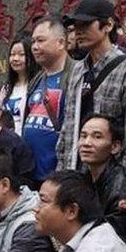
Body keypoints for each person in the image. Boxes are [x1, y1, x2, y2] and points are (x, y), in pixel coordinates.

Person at [57, 0, 126, 171]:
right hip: (74, 174)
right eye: (75, 27)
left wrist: (123, 183)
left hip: (108, 177)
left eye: (85, 25)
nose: (78, 32)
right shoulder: (77, 70)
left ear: (108, 25)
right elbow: (67, 127)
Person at [22, 15, 71, 185]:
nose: (35, 47)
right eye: (33, 41)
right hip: (32, 173)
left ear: (61, 43)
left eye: (41, 41)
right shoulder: (37, 79)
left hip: (58, 175)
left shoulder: (75, 76)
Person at [78, 113, 126, 216]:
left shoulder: (122, 186)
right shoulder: (82, 177)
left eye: (97, 137)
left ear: (115, 147)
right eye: (83, 136)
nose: (86, 143)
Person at [0, 35, 39, 134]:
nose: (15, 59)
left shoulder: (38, 85)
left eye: (21, 54)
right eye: (12, 54)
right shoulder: (6, 88)